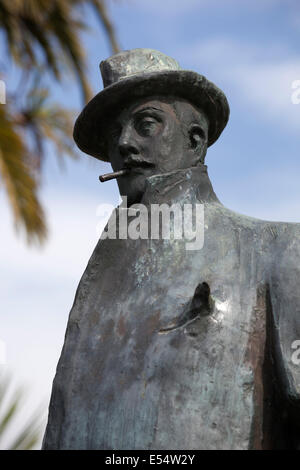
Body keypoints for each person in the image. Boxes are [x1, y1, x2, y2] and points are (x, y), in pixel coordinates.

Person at [43, 49, 300, 450]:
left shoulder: (279, 251)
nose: (125, 143)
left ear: (194, 141)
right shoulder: (94, 291)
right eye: (114, 135)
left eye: (146, 124)